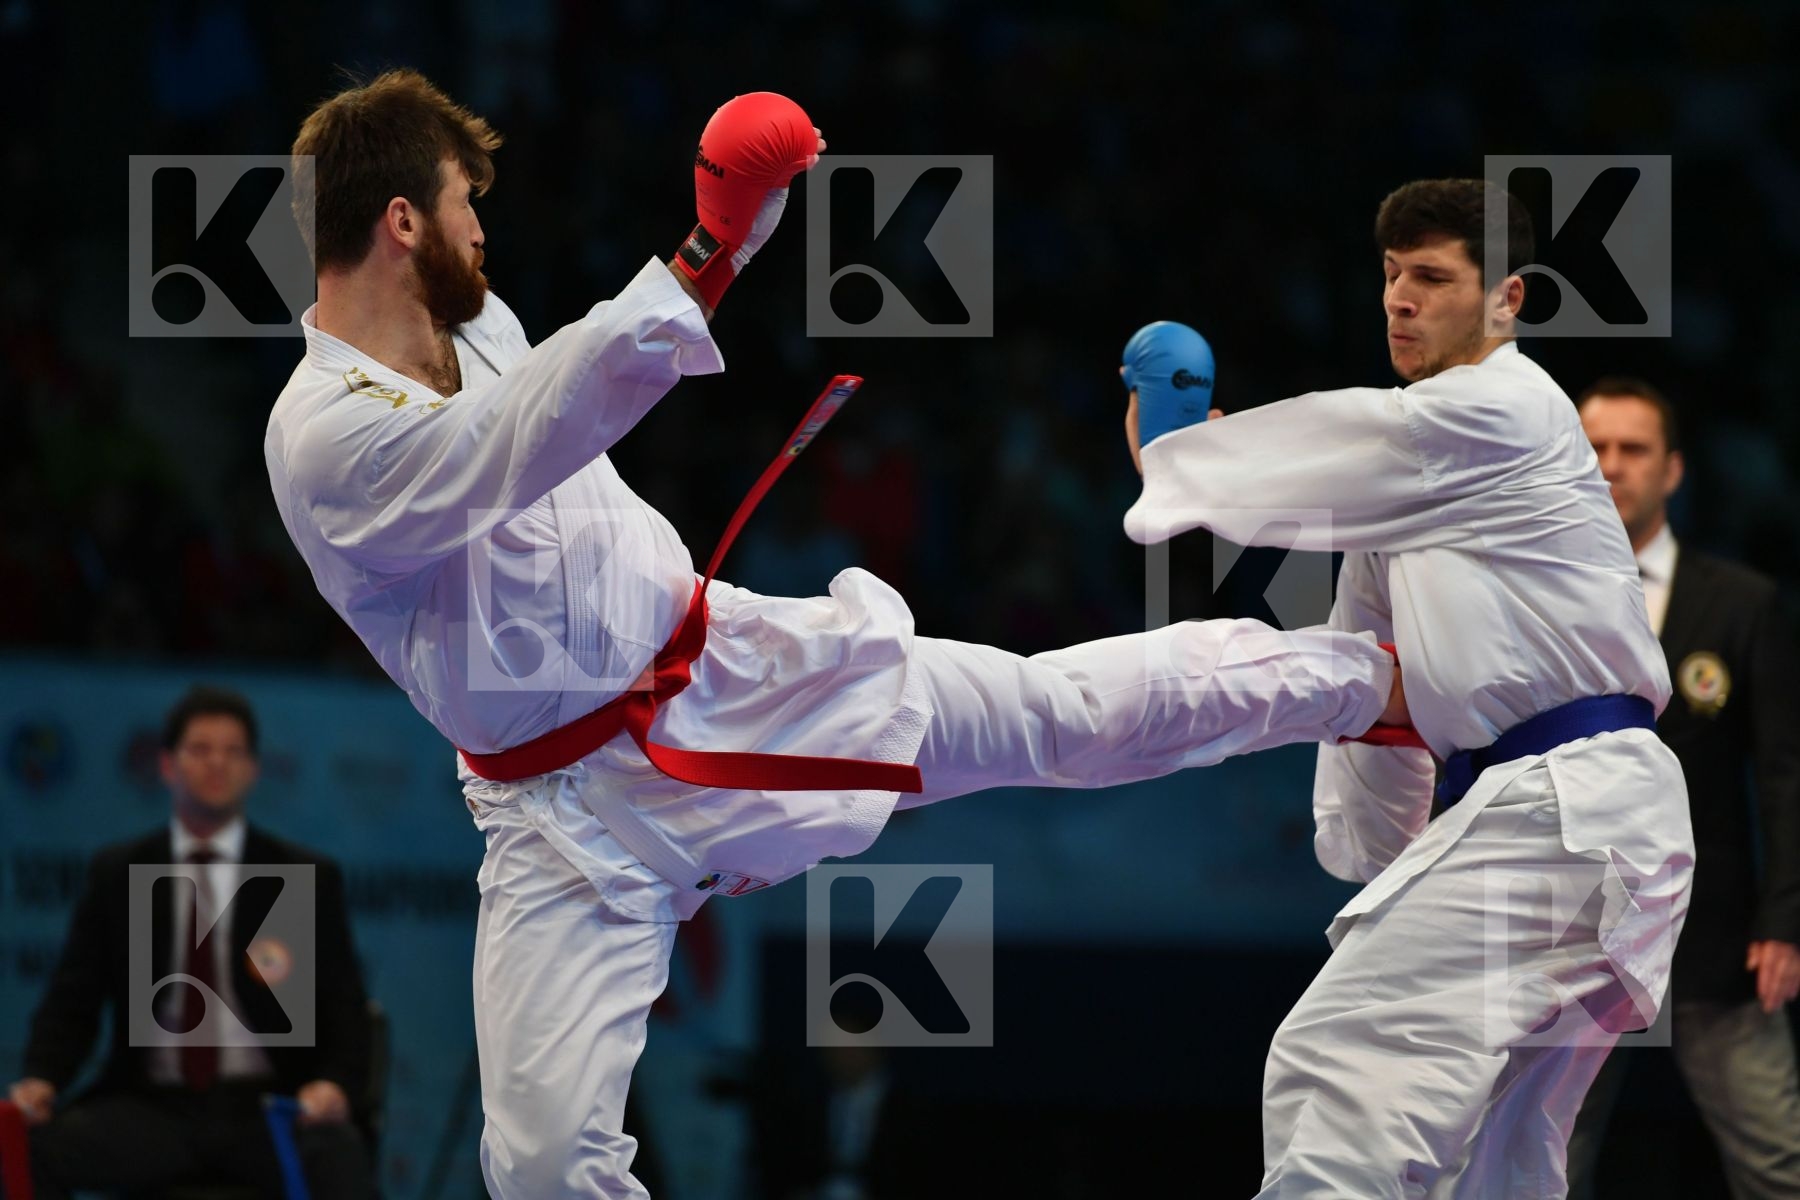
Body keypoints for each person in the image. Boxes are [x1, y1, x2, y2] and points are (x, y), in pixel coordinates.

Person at [265, 70, 1415, 1198]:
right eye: (470, 203)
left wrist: (717, 255)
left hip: (730, 680)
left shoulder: (483, 325)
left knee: (1051, 715)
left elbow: (549, 400)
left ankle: (1363, 681)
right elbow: (519, 437)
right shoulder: (322, 438)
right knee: (540, 1166)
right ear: (404, 220)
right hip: (564, 820)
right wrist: (710, 249)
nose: (485, 232)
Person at [1120, 179, 1695, 1198]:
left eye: (1431, 277)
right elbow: (1376, 690)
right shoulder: (1412, 495)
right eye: (1390, 276)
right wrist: (1382, 857)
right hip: (1578, 829)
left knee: (1346, 1058)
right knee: (1493, 1162)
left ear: (1507, 298)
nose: (1399, 299)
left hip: (1566, 808)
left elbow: (1368, 441)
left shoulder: (1502, 409)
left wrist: (1181, 458)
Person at [1563, 378, 1800, 1199]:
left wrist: (1785, 920)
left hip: (1716, 941)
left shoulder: (1741, 604)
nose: (1611, 466)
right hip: (1571, 938)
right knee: (1540, 1170)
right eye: (1593, 448)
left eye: (1632, 450)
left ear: (1673, 470)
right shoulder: (1531, 601)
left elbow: (1783, 774)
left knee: (1778, 1164)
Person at [7, 685, 376, 1199]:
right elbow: (73, 1002)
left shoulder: (299, 876)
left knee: (338, 1157)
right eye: (201, 750)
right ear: (166, 765)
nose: (217, 764)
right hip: (153, 1106)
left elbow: (345, 1010)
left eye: (233, 752)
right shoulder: (121, 873)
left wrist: (333, 1085)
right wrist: (41, 1079)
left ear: (254, 769)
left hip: (266, 1107)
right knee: (30, 1149)